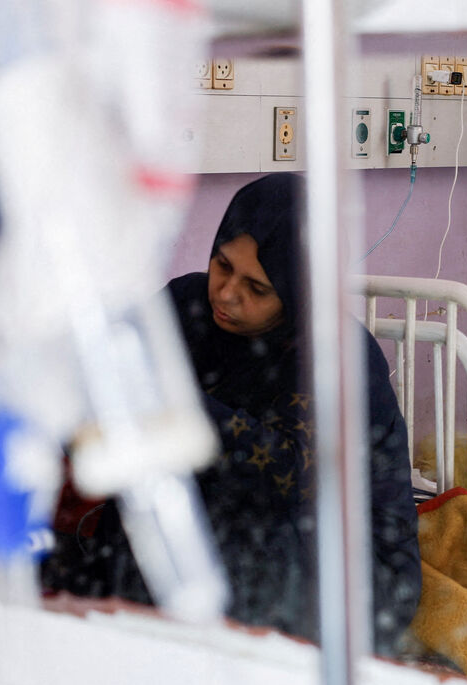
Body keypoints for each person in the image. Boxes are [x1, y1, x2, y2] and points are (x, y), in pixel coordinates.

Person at [40, 173, 422, 656]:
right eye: (222, 265)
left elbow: (289, 478)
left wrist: (173, 403)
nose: (225, 293)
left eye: (257, 287)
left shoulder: (338, 359)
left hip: (345, 562)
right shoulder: (186, 306)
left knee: (194, 545)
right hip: (218, 523)